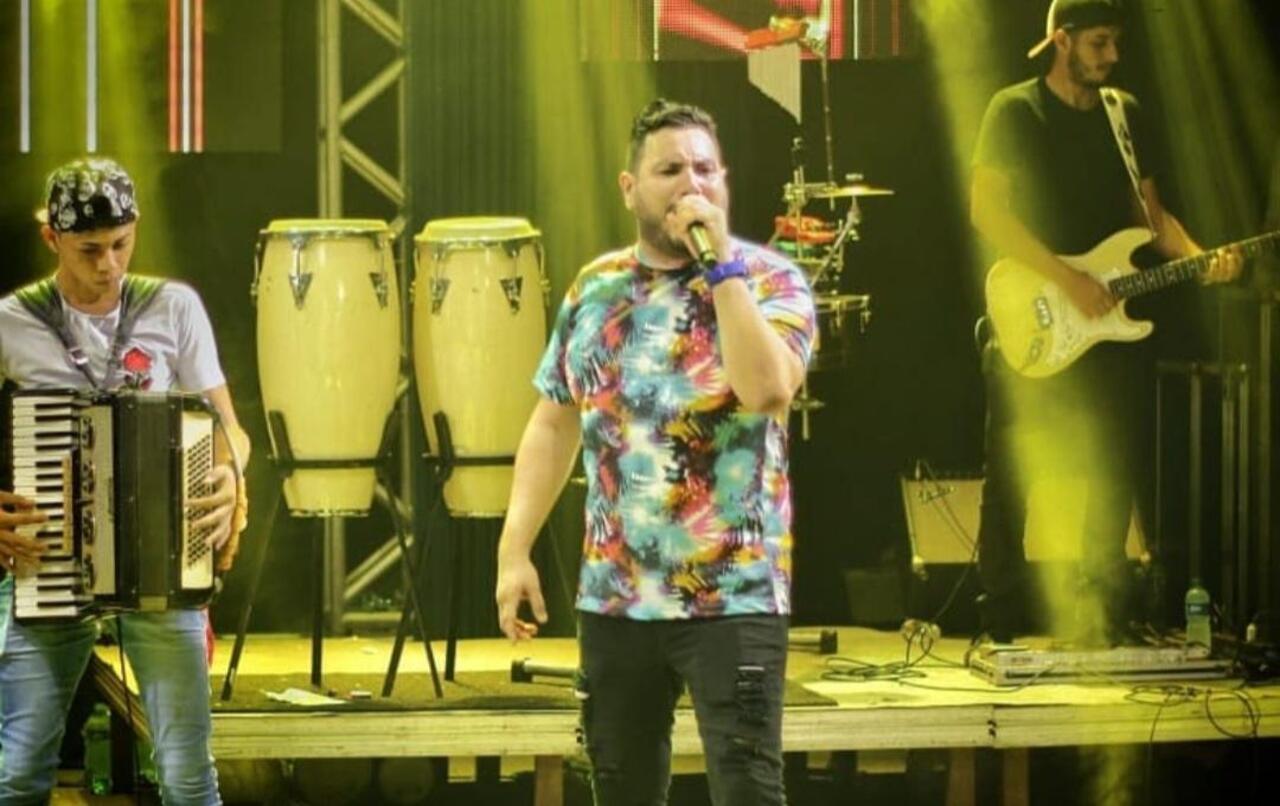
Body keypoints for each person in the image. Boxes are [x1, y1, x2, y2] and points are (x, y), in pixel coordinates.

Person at [495, 99, 815, 805]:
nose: (691, 183)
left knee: (749, 790)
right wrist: (514, 549)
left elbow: (767, 389)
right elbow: (553, 423)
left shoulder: (770, 280)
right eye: (670, 170)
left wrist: (721, 268)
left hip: (734, 598)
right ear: (630, 188)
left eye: (705, 168)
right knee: (620, 788)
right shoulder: (595, 289)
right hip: (616, 600)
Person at [970, 0, 1241, 644]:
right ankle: (1000, 615)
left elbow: (1152, 219)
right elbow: (988, 213)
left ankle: (1099, 613)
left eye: (1115, 43)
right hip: (1038, 305)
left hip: (1110, 319)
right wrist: (1070, 281)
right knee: (1013, 468)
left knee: (1117, 463)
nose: (1112, 56)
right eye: (1098, 43)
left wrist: (1203, 259)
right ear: (1062, 42)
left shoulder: (1124, 114)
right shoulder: (1014, 110)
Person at [0, 157, 250, 804]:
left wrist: (229, 471)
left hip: (159, 561)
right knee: (17, 773)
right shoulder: (11, 320)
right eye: (89, 250)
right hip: (47, 560)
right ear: (51, 237)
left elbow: (229, 427)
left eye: (121, 244)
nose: (108, 264)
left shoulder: (174, 306)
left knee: (189, 776)